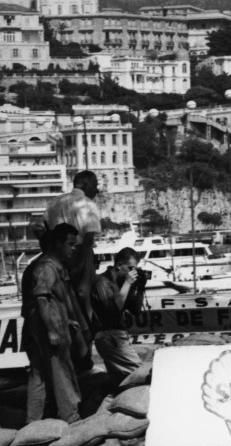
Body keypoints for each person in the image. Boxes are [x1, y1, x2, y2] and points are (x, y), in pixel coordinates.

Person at [21, 223, 84, 424]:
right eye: (70, 244)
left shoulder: (49, 266)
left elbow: (51, 301)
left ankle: (33, 422)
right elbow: (42, 298)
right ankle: (71, 417)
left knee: (38, 376)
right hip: (48, 329)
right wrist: (52, 330)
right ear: (58, 243)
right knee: (61, 372)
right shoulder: (47, 267)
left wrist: (66, 320)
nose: (73, 248)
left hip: (42, 327)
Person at [45, 170, 100, 372]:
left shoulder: (53, 204)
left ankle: (69, 361)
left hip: (57, 261)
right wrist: (78, 268)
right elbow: (87, 241)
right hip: (79, 260)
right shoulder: (88, 204)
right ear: (84, 184)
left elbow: (47, 233)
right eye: (95, 184)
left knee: (65, 309)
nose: (97, 188)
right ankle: (85, 360)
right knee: (86, 307)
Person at [90, 247, 145, 387]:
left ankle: (108, 407)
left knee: (119, 383)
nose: (133, 272)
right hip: (109, 335)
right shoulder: (102, 282)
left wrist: (140, 288)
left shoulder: (121, 283)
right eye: (130, 268)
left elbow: (135, 310)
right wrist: (127, 283)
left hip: (115, 336)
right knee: (141, 374)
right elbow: (113, 310)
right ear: (119, 265)